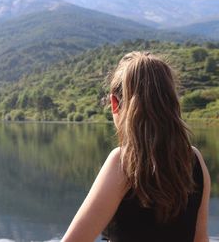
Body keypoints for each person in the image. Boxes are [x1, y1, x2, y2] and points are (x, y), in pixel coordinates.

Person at [61, 51, 211, 242]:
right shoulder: (195, 161)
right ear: (172, 101)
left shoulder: (123, 162)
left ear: (115, 104)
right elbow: (200, 239)